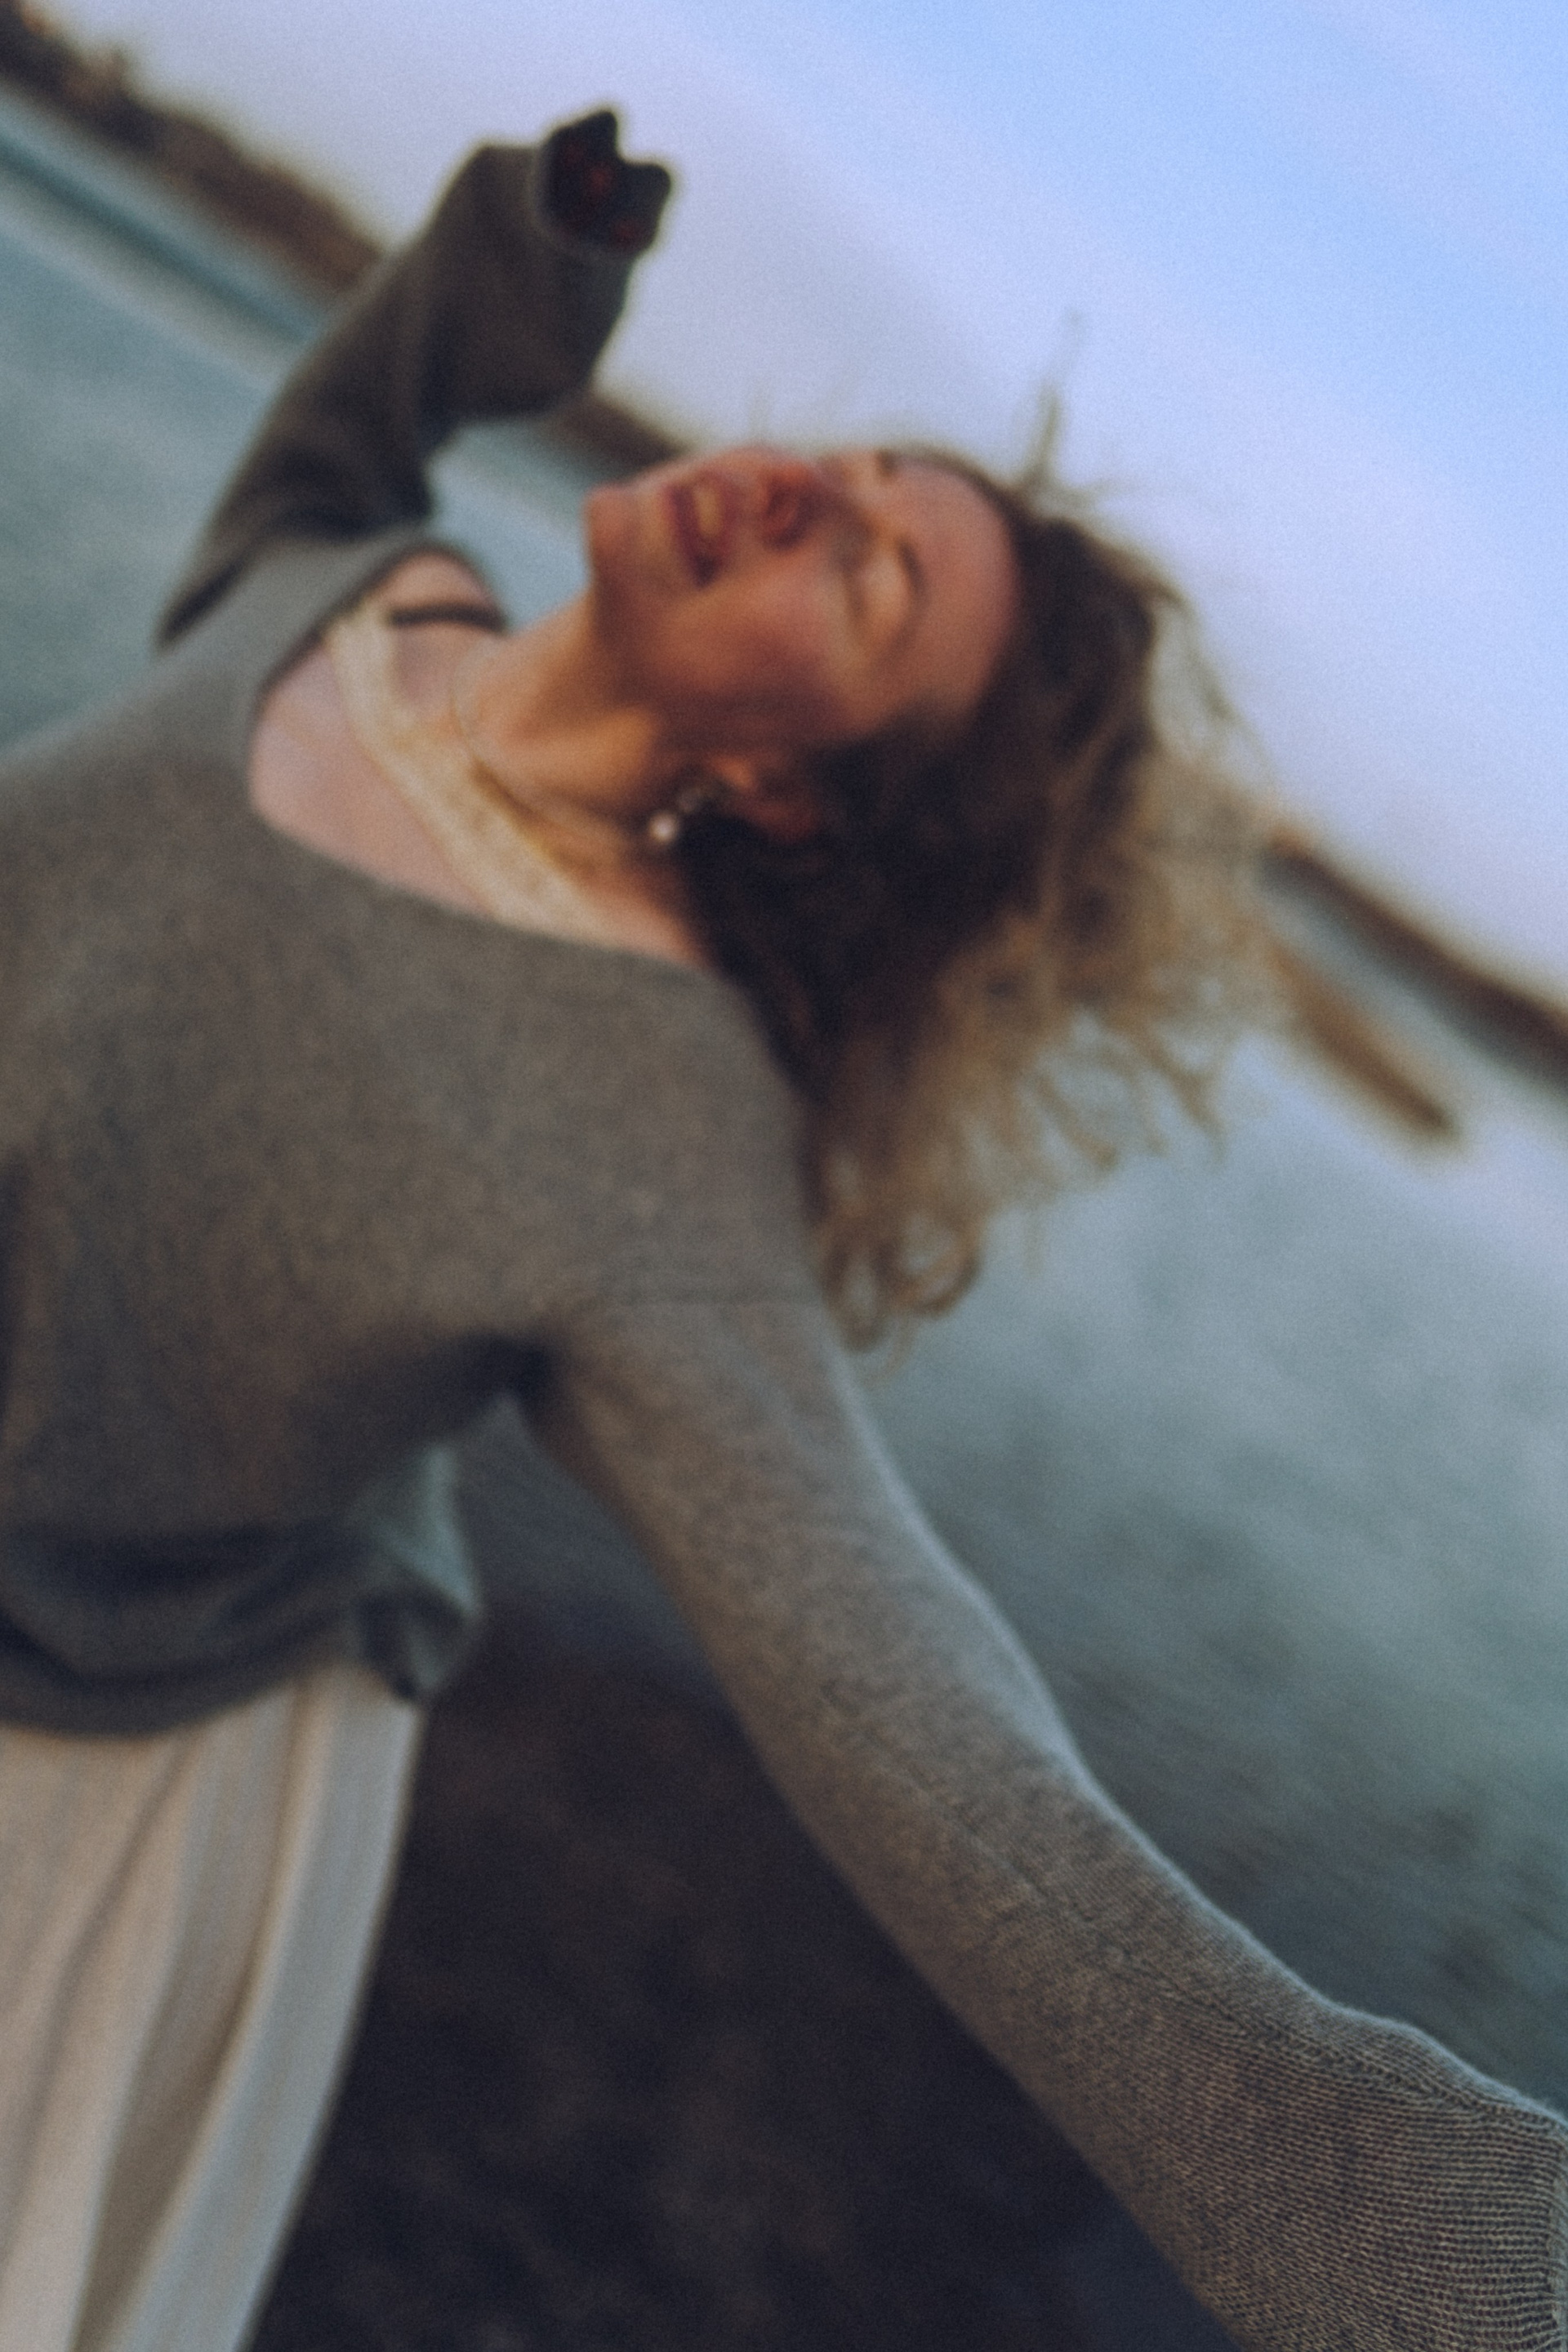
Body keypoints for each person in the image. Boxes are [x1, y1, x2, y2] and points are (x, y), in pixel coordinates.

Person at [0, 108, 1561, 2352]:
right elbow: (356, 423)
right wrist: (527, 255)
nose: (809, 494)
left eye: (875, 580)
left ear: (794, 793)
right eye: (861, 471)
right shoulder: (355, 590)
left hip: (71, 1738)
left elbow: (919, 1706)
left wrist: (1362, 2195)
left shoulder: (656, 1129)